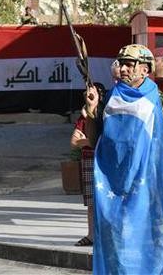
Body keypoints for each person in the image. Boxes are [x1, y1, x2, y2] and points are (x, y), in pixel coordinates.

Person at [84, 44, 163, 274]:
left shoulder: (162, 102)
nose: (123, 69)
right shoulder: (109, 98)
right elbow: (93, 140)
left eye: (129, 65)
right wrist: (91, 110)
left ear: (145, 70)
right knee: (115, 243)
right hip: (112, 187)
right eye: (121, 64)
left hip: (150, 187)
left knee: (153, 241)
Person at [71, 83, 106, 247]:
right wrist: (91, 141)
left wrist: (88, 140)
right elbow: (74, 141)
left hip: (104, 160)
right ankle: (91, 235)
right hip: (88, 160)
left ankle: (106, 235)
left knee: (106, 200)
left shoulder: (105, 116)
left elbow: (102, 139)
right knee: (91, 202)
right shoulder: (83, 118)